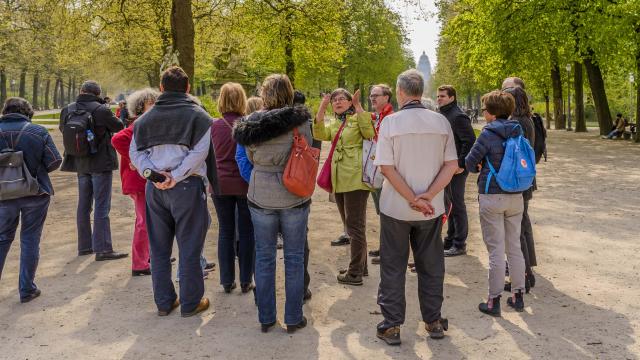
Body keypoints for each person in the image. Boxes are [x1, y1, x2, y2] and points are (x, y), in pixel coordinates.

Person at [373, 70, 457, 345]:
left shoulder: (391, 123)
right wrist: (427, 196)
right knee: (431, 264)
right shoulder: (441, 122)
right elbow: (451, 166)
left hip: (396, 205)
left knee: (393, 265)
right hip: (430, 208)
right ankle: (433, 320)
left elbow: (386, 167)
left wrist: (410, 197)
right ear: (420, 92)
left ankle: (392, 324)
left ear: (399, 91)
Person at [129, 66, 211, 317]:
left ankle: (164, 302)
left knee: (159, 247)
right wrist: (174, 176)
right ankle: (190, 302)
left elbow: (136, 153)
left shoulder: (144, 120)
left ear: (161, 88)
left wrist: (154, 176)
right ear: (188, 87)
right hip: (187, 186)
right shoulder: (199, 116)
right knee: (189, 245)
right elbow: (199, 154)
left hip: (155, 189)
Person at [233, 74, 312, 333]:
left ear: (264, 93)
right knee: (294, 257)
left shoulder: (251, 122)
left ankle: (266, 317)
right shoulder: (300, 122)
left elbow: (251, 156)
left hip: (261, 193)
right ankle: (293, 317)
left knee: (265, 257)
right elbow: (308, 149)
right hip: (294, 194)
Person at [465, 90, 527, 316]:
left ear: (490, 113)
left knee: (495, 250)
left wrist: (481, 165)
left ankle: (494, 300)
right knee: (514, 247)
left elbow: (470, 164)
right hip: (516, 195)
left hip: (492, 194)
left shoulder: (487, 134)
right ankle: (518, 295)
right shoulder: (518, 132)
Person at [0, 97, 62, 303]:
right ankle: (26, 289)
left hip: (2, 196)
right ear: (28, 112)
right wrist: (34, 170)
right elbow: (54, 161)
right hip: (35, 193)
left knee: (2, 239)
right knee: (30, 239)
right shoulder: (38, 131)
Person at [59, 80, 127, 261]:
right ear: (97, 94)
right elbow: (119, 127)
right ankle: (103, 248)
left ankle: (85, 246)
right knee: (102, 206)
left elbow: (62, 129)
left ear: (81, 91)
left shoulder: (68, 109)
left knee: (83, 205)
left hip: (80, 161)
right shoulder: (101, 109)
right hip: (100, 161)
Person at [314, 88, 375, 286]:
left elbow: (370, 133)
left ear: (350, 102)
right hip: (339, 177)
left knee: (355, 226)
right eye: (334, 100)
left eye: (342, 99)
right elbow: (321, 133)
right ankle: (360, 266)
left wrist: (359, 107)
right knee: (350, 226)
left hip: (356, 177)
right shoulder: (336, 122)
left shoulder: (358, 118)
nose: (338, 102)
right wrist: (322, 107)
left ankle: (355, 272)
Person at [211, 83, 255, 294]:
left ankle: (227, 280)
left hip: (219, 182)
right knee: (247, 231)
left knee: (225, 231)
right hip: (244, 183)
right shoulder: (248, 124)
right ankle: (246, 278)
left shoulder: (213, 126)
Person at [111, 88, 160, 276]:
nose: (154, 106)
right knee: (144, 222)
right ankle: (139, 263)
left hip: (144, 179)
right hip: (139, 181)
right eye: (150, 103)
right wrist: (133, 160)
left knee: (152, 220)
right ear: (141, 107)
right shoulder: (140, 123)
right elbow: (118, 139)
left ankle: (149, 256)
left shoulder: (148, 123)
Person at [503, 85, 537, 292]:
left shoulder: (515, 123)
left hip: (517, 181)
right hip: (525, 180)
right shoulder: (527, 120)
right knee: (522, 226)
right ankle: (527, 271)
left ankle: (524, 274)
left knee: (517, 231)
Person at [436, 85, 476, 257]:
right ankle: (450, 239)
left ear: (452, 97)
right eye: (438, 96)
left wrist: (461, 164)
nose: (439, 99)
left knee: (457, 205)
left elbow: (470, 141)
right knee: (450, 204)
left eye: (442, 96)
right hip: (447, 166)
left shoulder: (458, 116)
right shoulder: (443, 114)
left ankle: (460, 243)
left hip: (457, 168)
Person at [366, 84, 394, 265]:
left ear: (387, 97)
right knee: (382, 212)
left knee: (387, 213)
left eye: (376, 95)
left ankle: (389, 251)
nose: (372, 98)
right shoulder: (378, 117)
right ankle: (385, 247)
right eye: (371, 96)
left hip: (385, 173)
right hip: (376, 171)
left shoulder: (390, 118)